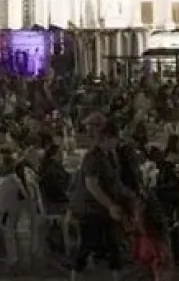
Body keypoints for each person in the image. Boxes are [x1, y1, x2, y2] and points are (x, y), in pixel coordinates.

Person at [68, 113, 136, 281]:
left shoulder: (110, 156)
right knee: (87, 244)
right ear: (106, 137)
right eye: (114, 139)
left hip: (103, 208)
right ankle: (76, 274)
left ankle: (116, 274)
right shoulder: (93, 156)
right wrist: (110, 205)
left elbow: (115, 181)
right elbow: (92, 185)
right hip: (90, 208)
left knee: (112, 243)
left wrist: (129, 195)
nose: (116, 143)